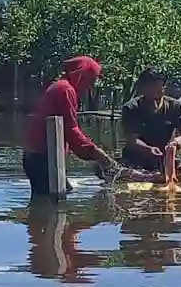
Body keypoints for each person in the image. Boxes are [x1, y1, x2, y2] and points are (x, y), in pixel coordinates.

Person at [22, 56, 117, 196]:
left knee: (60, 194)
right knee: (53, 201)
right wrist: (99, 155)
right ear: (80, 76)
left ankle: (39, 217)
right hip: (42, 158)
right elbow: (71, 130)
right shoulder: (65, 90)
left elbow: (70, 131)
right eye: (90, 81)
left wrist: (91, 154)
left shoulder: (61, 87)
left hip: (39, 156)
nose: (90, 87)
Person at [119, 68, 181, 195]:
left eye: (156, 89)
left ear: (163, 88)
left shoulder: (176, 107)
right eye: (149, 90)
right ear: (142, 89)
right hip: (136, 160)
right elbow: (132, 140)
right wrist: (149, 149)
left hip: (166, 159)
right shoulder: (131, 108)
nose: (153, 95)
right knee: (105, 168)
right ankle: (150, 177)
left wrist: (178, 141)